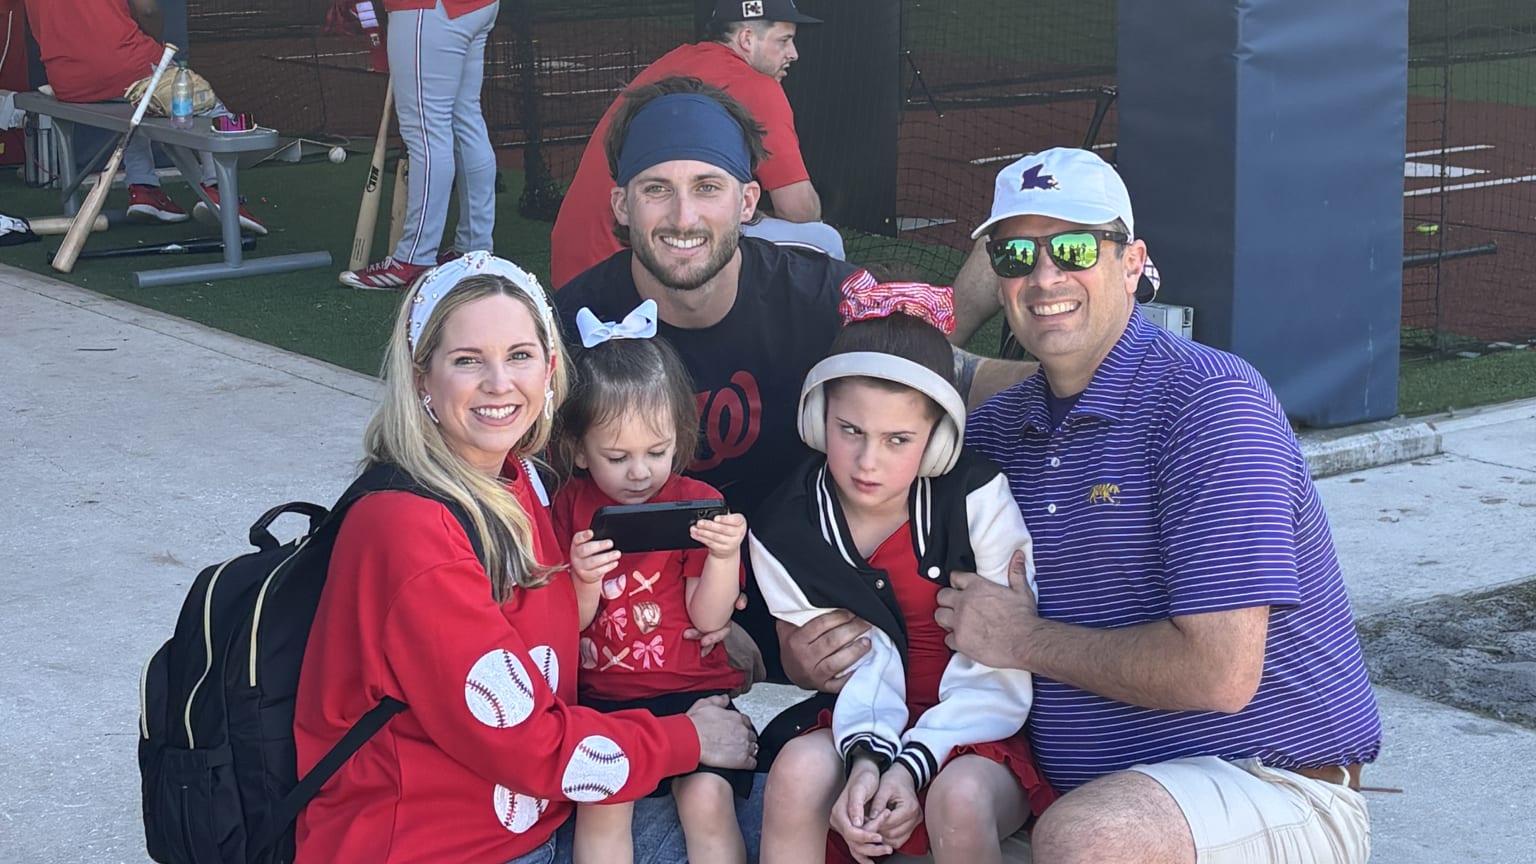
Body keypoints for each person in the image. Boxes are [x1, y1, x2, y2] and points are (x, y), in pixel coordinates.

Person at [787, 147, 1386, 863]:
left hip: (1264, 783)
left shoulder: (1210, 406)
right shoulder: (997, 431)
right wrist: (811, 650)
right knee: (820, 790)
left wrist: (1025, 640)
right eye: (1016, 255)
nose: (1045, 277)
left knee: (1091, 839)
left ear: (1132, 263)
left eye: (1074, 248)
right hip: (1057, 791)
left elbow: (1220, 672)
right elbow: (892, 582)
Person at [555, 76, 1032, 683]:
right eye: (657, 189)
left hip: (804, 595)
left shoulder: (820, 296)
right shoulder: (572, 328)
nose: (683, 216)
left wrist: (1097, 384)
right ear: (623, 205)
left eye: (707, 187)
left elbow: (950, 373)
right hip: (636, 625)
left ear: (748, 201)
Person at [293, 252, 758, 863]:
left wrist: (702, 626)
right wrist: (686, 739)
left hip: (533, 808)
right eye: (467, 360)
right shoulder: (407, 528)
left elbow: (553, 633)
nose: (498, 383)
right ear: (421, 378)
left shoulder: (518, 480)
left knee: (800, 811)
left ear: (550, 368)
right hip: (447, 844)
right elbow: (523, 740)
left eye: (519, 355)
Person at [751, 290, 1057, 864]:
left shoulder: (977, 500)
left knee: (958, 798)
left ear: (937, 441)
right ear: (817, 419)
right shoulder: (785, 530)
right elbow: (859, 670)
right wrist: (869, 760)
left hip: (977, 723)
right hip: (858, 717)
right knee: (796, 771)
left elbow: (1000, 669)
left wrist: (914, 763)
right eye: (850, 430)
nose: (869, 461)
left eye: (898, 440)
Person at [550, 298, 751, 864]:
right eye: (617, 457)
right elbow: (563, 626)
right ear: (579, 450)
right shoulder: (568, 508)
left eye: (657, 452)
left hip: (692, 691)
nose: (640, 472)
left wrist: (723, 557)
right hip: (603, 700)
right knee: (604, 800)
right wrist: (583, 581)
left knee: (707, 799)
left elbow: (708, 618)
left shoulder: (698, 501)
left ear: (679, 438)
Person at [549, 0, 831, 289]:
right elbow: (799, 210)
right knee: (824, 240)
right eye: (784, 40)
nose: (793, 53)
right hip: (624, 265)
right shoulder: (755, 85)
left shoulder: (677, 59)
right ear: (747, 38)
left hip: (573, 269)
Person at [22, 0, 268, 233]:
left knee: (132, 106)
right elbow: (147, 10)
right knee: (210, 107)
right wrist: (156, 47)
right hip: (127, 63)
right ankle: (219, 191)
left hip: (67, 81)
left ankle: (144, 189)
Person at [339, 0, 499, 290]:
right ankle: (474, 249)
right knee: (465, 119)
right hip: (476, 7)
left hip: (427, 9)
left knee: (426, 131)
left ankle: (415, 258)